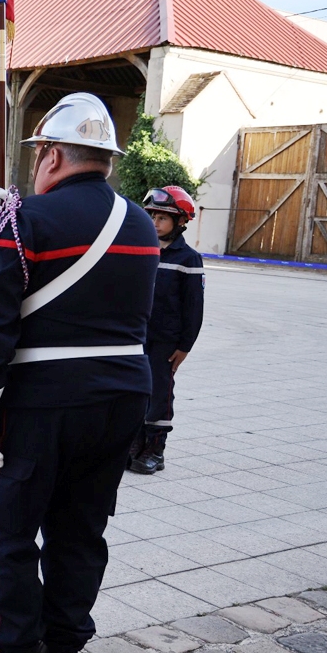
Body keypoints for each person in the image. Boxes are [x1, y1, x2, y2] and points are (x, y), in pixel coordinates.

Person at [0, 93, 159, 653]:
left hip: (39, 401)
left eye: (41, 151)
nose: (38, 161)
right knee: (80, 530)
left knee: (4, 527)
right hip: (121, 396)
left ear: (56, 155)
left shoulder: (26, 220)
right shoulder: (141, 222)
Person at [130, 185, 204, 475]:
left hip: (164, 343)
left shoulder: (188, 259)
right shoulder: (140, 250)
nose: (155, 223)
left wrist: (184, 346)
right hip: (135, 338)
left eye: (163, 218)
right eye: (152, 216)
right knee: (133, 392)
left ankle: (155, 450)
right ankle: (134, 445)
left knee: (159, 394)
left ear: (181, 222)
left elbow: (194, 308)